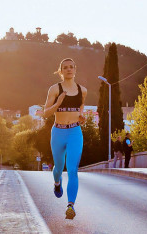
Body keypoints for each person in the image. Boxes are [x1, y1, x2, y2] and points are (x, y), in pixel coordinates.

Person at [36, 58, 87, 219]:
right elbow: (46, 113)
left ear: (75, 69)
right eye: (65, 68)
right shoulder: (55, 89)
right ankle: (57, 183)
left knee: (72, 169)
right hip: (58, 132)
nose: (69, 70)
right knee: (59, 167)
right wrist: (58, 103)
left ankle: (70, 205)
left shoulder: (82, 90)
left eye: (71, 67)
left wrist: (81, 117)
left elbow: (81, 108)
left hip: (75, 132)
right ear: (61, 71)